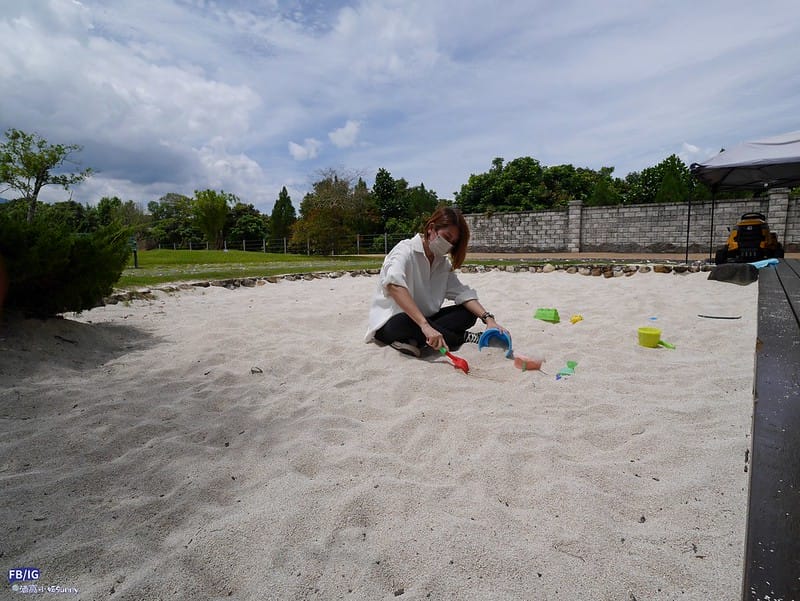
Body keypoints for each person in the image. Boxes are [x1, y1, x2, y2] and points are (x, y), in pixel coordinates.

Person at [365, 206, 508, 357]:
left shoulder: (442, 263)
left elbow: (462, 293)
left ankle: (415, 340)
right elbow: (394, 284)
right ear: (431, 228)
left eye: (453, 242)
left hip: (425, 320)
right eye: (446, 237)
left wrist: (488, 319)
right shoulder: (405, 251)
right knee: (404, 322)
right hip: (394, 321)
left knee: (468, 313)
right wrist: (425, 325)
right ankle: (461, 337)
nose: (448, 245)